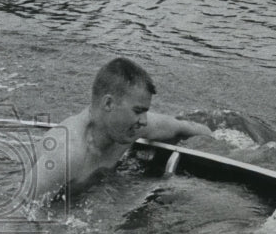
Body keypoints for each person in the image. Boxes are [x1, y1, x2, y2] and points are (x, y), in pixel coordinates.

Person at [30, 57, 212, 207]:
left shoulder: (128, 128)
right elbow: (19, 210)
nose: (144, 120)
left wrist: (220, 141)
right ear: (109, 103)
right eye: (138, 111)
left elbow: (186, 128)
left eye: (146, 111)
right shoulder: (66, 153)